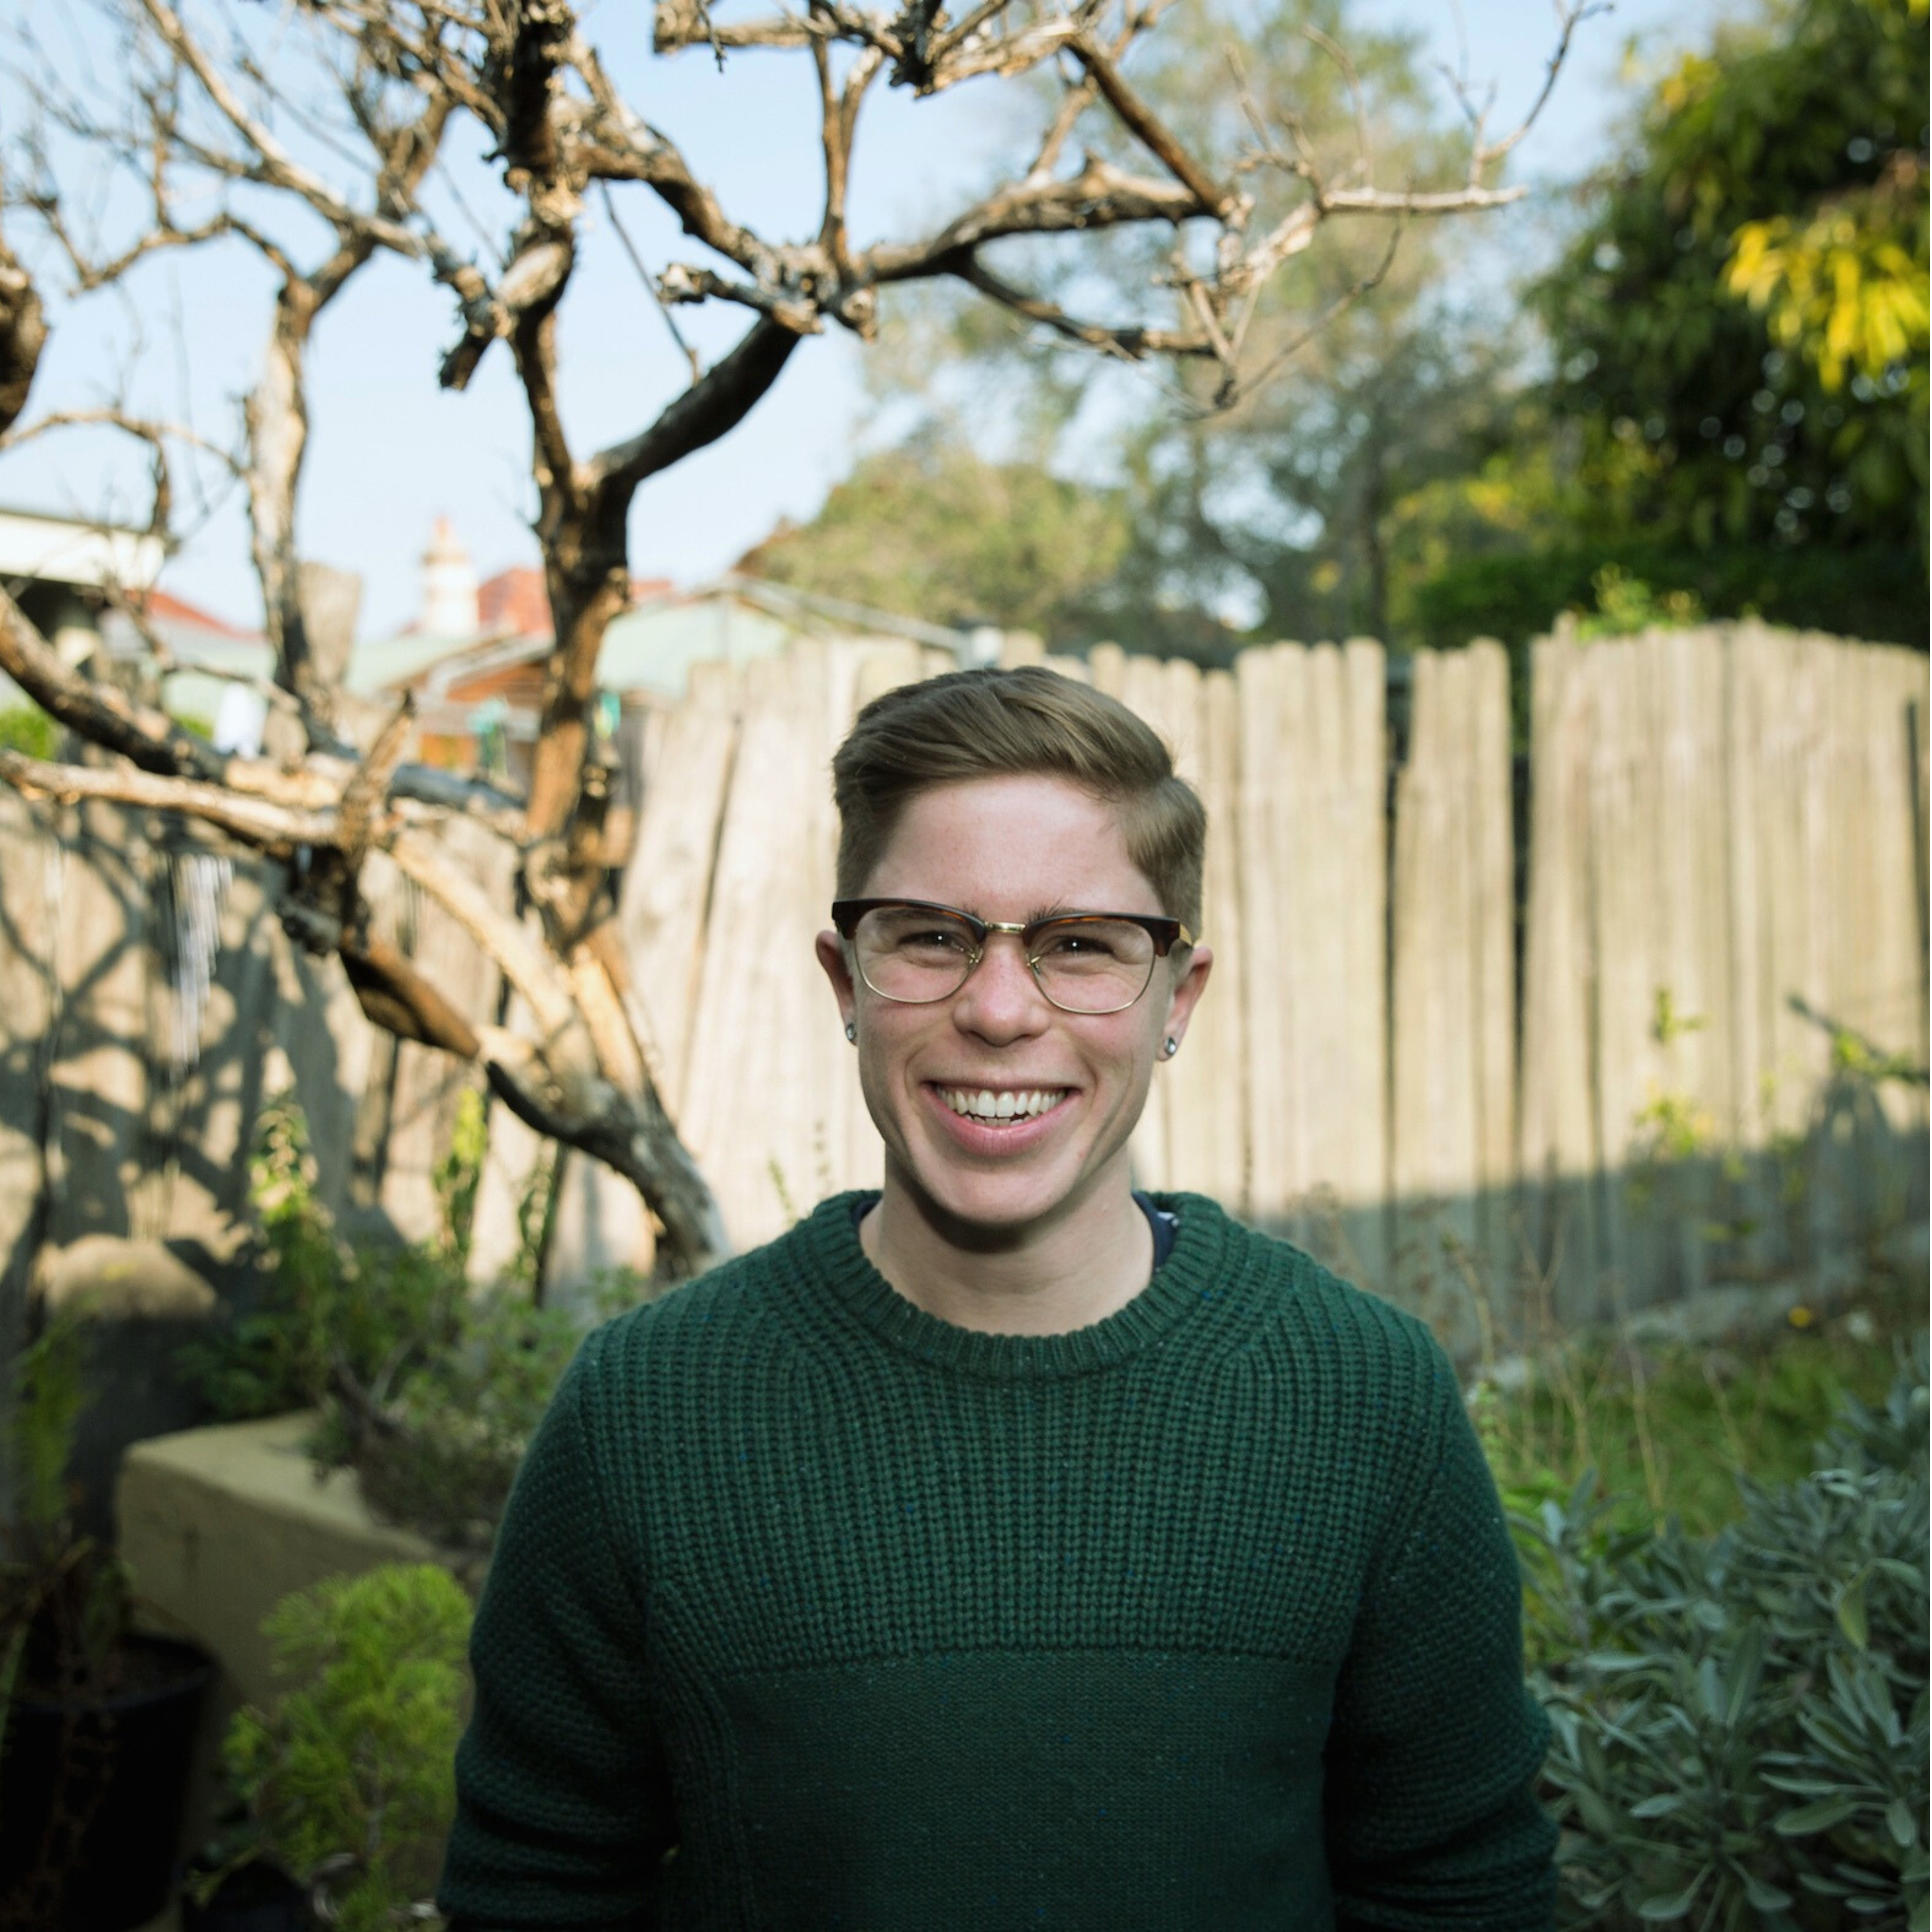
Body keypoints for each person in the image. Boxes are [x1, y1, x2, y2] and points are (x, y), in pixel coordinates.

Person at [438, 666, 1556, 1930]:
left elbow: (1459, 1894)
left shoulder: (1360, 1396)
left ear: (1174, 996)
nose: (999, 1007)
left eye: (1079, 944)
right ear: (844, 979)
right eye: (931, 934)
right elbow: (533, 1888)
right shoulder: (647, 1410)